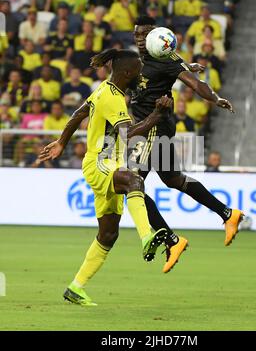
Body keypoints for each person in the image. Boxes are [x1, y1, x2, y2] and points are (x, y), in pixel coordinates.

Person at [39, 49, 172, 306]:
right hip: (101, 163)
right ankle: (146, 237)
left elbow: (79, 113)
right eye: (138, 71)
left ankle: (75, 288)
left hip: (108, 163)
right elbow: (128, 133)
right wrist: (157, 115)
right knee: (135, 181)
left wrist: (61, 142)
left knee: (108, 234)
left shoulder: (104, 88)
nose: (141, 74)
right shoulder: (112, 98)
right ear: (127, 73)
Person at [131, 16, 244, 273]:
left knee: (131, 186)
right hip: (154, 127)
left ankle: (171, 241)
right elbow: (179, 67)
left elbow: (195, 84)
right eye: (136, 34)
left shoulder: (165, 59)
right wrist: (187, 64)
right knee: (173, 179)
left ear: (155, 34)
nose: (140, 39)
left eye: (144, 34)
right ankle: (227, 214)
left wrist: (215, 99)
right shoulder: (152, 58)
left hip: (152, 128)